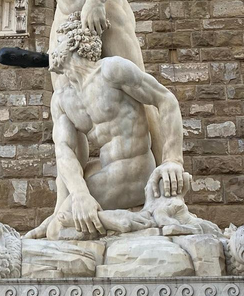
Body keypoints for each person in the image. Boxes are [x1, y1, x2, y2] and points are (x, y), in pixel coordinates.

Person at [46, 0, 165, 229]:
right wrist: (59, 24)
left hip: (105, 10)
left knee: (139, 92)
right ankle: (64, 205)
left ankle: (163, 190)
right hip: (64, 19)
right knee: (64, 110)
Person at [28, 13, 186, 240]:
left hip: (135, 170)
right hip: (106, 173)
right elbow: (65, 152)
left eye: (57, 42)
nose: (50, 50)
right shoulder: (62, 99)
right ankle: (114, 219)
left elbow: (165, 99)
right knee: (66, 210)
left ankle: (126, 222)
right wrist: (79, 194)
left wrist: (172, 160)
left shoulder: (111, 70)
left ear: (72, 42)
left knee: (58, 228)